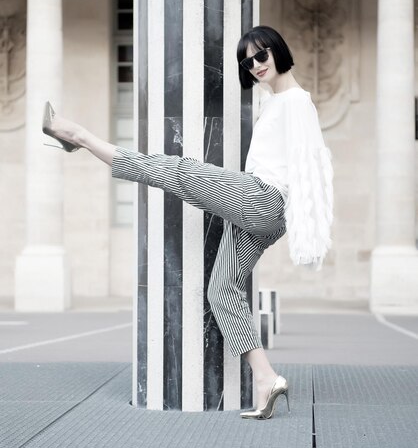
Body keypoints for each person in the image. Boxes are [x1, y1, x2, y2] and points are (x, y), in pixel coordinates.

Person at [42, 25, 333, 420]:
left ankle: (78, 135)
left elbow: (312, 166)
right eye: (247, 62)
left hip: (264, 199)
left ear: (279, 51)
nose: (255, 66)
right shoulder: (274, 103)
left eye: (261, 55)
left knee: (180, 170)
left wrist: (304, 228)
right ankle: (266, 379)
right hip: (263, 210)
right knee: (222, 288)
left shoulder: (295, 102)